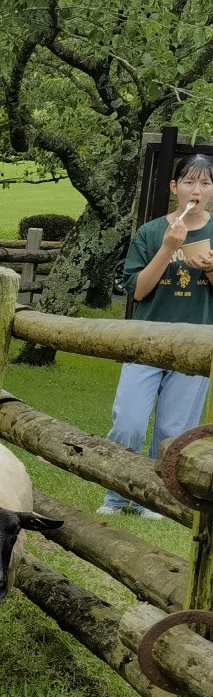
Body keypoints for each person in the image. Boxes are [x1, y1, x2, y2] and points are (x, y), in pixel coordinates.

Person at [99, 152, 213, 515]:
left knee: (174, 430)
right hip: (145, 342)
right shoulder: (150, 233)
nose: (197, 190)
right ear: (174, 187)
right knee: (129, 422)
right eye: (190, 182)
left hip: (196, 346)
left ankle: (158, 501)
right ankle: (116, 495)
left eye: (206, 183)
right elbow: (137, 291)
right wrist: (168, 248)